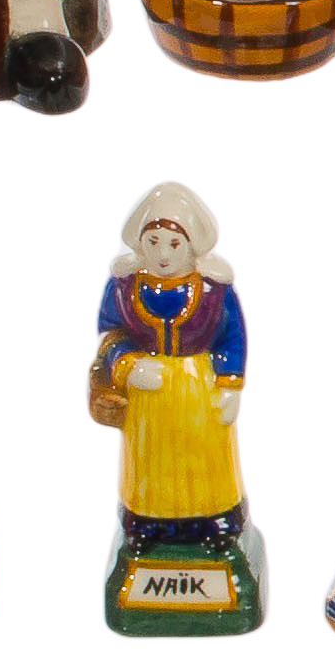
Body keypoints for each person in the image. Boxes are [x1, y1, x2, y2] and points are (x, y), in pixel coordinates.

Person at [91, 180, 252, 565]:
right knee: (151, 460)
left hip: (198, 389)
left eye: (174, 244)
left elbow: (233, 337)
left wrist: (230, 386)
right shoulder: (124, 288)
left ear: (191, 245)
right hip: (149, 397)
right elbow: (111, 336)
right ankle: (147, 522)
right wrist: (128, 366)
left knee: (206, 460)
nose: (163, 254)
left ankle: (214, 520)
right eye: (154, 242)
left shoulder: (213, 291)